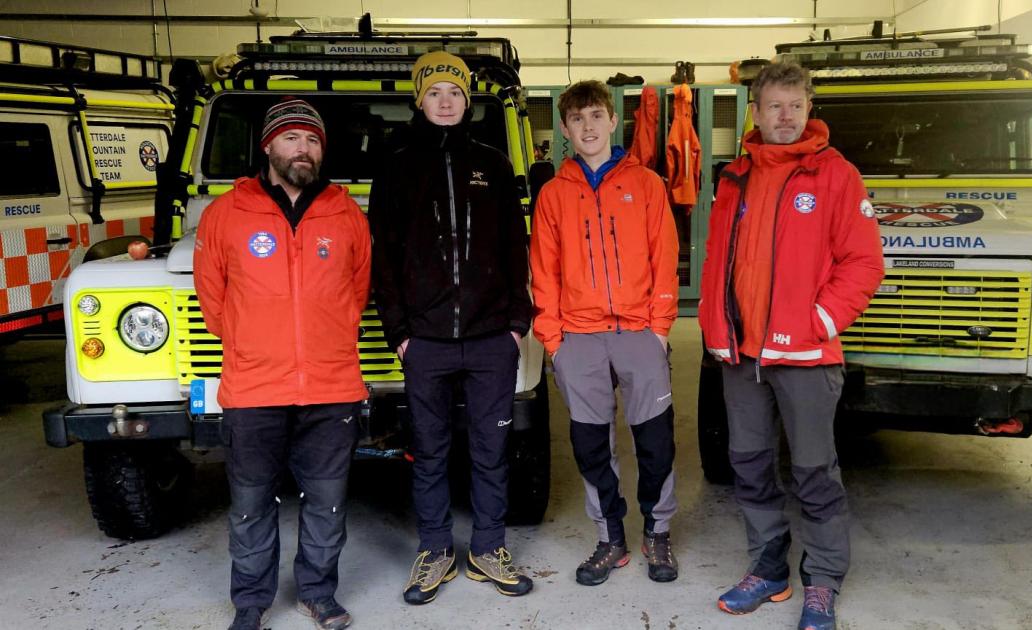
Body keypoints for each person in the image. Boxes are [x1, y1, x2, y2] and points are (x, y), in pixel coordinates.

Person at [698, 62, 884, 630]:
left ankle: (823, 580)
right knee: (749, 466)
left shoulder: (835, 175)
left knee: (813, 472)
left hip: (804, 356)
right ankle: (768, 567)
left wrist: (820, 318)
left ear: (808, 111)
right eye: (774, 106)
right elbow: (717, 261)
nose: (784, 117)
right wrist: (714, 327)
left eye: (794, 106)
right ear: (754, 112)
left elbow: (864, 263)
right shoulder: (735, 177)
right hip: (742, 356)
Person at [195, 98, 371, 630]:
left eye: (313, 140)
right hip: (254, 389)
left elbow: (356, 291)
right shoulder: (227, 213)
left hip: (331, 384)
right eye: (293, 138)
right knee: (250, 504)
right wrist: (256, 345)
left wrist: (325, 338)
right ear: (269, 145)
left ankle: (318, 592)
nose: (304, 149)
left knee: (327, 503)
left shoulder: (345, 213)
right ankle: (250, 601)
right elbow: (212, 298)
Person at [368, 51, 534, 605]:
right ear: (420, 98)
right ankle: (435, 550)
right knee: (430, 449)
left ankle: (489, 548)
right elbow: (383, 259)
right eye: (436, 92)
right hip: (426, 341)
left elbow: (516, 247)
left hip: (492, 338)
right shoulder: (395, 166)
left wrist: (515, 323)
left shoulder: (495, 163)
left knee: (491, 449)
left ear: (468, 101)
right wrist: (400, 333)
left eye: (456, 93)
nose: (446, 101)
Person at [530, 79, 681, 586]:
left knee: (655, 440)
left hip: (639, 332)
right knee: (592, 445)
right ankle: (609, 537)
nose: (588, 126)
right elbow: (543, 270)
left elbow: (665, 258)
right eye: (577, 119)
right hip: (578, 338)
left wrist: (660, 328)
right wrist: (554, 339)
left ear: (614, 121)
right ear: (566, 128)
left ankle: (657, 533)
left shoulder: (649, 184)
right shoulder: (553, 194)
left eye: (596, 115)